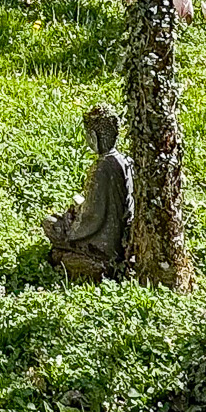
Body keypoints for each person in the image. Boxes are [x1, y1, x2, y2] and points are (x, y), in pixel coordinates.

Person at [43, 104, 132, 282]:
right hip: (121, 237)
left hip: (102, 244)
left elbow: (92, 216)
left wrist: (69, 227)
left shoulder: (100, 168)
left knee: (50, 223)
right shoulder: (125, 161)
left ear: (93, 137)